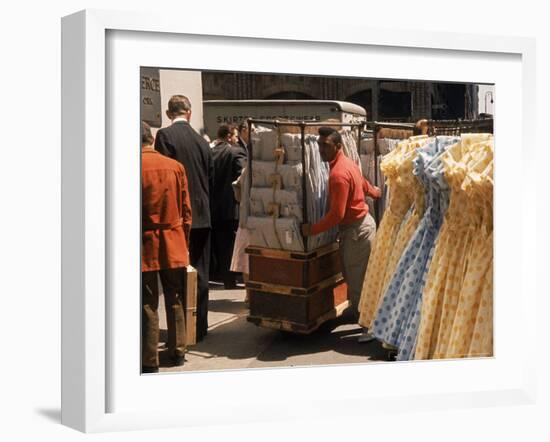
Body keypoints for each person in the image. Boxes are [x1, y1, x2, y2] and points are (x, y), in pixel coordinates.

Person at [301, 127, 381, 317]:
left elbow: (337, 214)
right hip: (360, 228)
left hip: (356, 232)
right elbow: (362, 183)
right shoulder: (347, 163)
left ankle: (367, 324)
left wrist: (312, 230)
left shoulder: (338, 175)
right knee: (355, 276)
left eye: (326, 146)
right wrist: (374, 192)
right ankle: (358, 311)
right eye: (319, 145)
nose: (321, 150)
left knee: (358, 279)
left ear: (338, 146)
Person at [154, 95, 214, 342]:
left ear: (169, 114)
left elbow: (164, 178)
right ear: (188, 112)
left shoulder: (165, 137)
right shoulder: (202, 141)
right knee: (201, 271)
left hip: (180, 215)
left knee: (178, 274)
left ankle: (181, 331)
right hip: (203, 214)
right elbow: (209, 177)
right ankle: (200, 327)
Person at [141, 121, 192, 373]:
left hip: (145, 242)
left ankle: (149, 358)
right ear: (151, 139)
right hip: (173, 238)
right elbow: (186, 210)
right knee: (175, 297)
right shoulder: (175, 167)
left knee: (148, 302)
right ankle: (178, 350)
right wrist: (185, 241)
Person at [210, 124, 247, 289]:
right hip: (232, 207)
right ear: (229, 136)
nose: (237, 139)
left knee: (222, 244)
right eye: (236, 136)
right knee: (235, 244)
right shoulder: (236, 152)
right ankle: (237, 276)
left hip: (214, 207)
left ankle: (227, 279)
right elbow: (243, 177)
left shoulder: (211, 152)